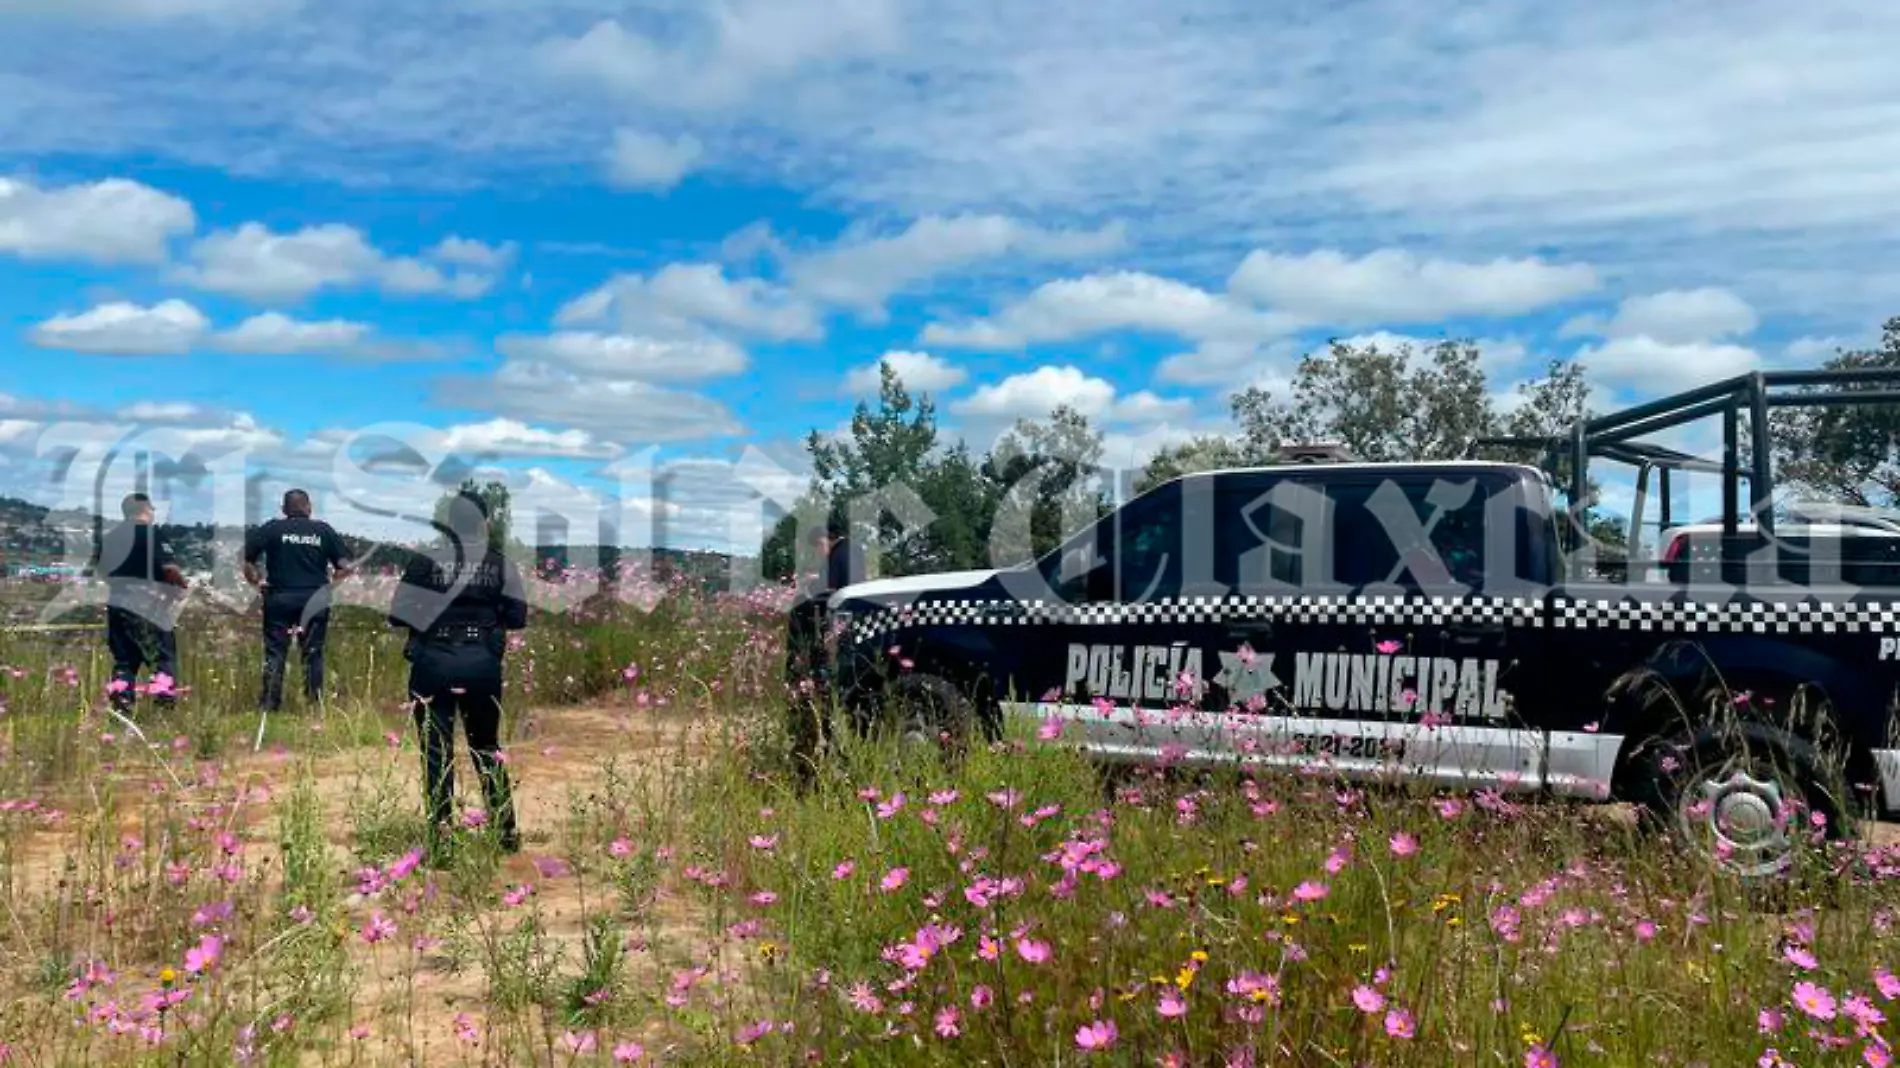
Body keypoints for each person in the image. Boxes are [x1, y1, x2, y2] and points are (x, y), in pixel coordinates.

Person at [388, 491, 529, 859]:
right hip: (481, 662)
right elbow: (517, 618)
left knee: (436, 752)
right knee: (486, 747)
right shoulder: (500, 565)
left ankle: (442, 840)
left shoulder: (425, 562)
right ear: (485, 523)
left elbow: (398, 614)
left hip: (433, 661)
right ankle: (505, 832)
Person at [243, 489, 353, 713]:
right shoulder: (323, 530)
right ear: (309, 507)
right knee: (312, 654)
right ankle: (314, 706)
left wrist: (258, 583)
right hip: (314, 597)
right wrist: (330, 586)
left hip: (279, 597)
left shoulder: (272, 528)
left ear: (284, 509)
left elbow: (247, 559)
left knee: (275, 653)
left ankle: (269, 705)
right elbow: (346, 566)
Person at [783, 517, 864, 782]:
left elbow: (832, 587)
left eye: (818, 547)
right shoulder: (853, 550)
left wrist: (809, 584)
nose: (819, 552)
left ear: (825, 539)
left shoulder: (840, 552)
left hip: (840, 607)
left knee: (798, 608)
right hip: (847, 607)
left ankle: (797, 657)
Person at [99, 492, 189, 714]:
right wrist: (179, 588)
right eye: (152, 509)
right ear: (145, 509)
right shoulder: (152, 534)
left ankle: (121, 710)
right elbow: (169, 569)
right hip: (149, 604)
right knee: (162, 659)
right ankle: (164, 710)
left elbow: (102, 572)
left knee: (124, 660)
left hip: (118, 602)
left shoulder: (109, 537)